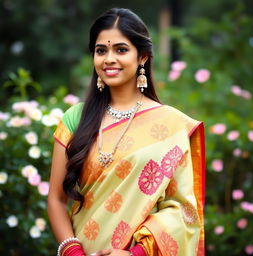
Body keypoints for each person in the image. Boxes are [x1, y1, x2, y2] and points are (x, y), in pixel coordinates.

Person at [48, 7, 205, 256]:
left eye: (121, 50)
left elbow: (182, 211)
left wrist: (136, 254)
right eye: (101, 50)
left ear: (142, 56)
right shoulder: (75, 119)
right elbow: (56, 200)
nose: (109, 59)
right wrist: (73, 252)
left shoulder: (171, 125)